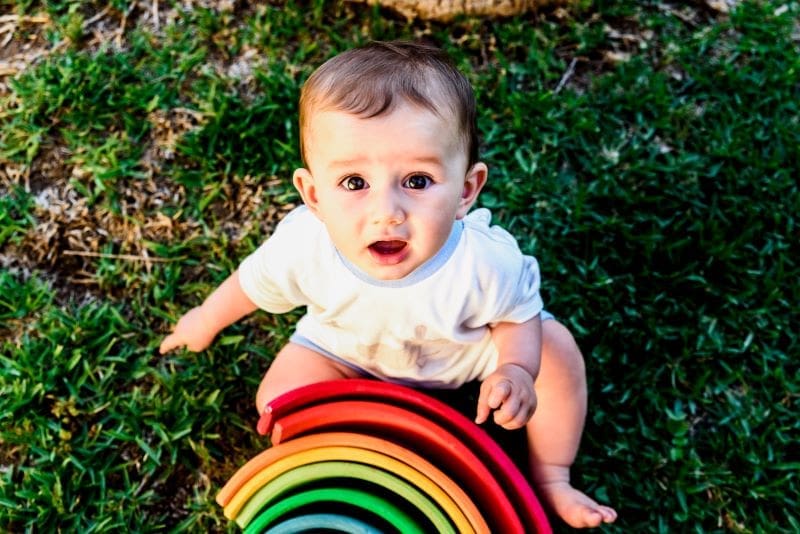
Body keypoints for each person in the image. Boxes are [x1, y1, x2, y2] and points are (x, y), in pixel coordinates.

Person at [160, 40, 617, 528]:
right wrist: (204, 320)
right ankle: (365, 459)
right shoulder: (303, 249)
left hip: (463, 354)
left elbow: (516, 316)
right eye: (354, 183)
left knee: (556, 351)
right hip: (343, 351)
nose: (387, 212)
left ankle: (551, 478)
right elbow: (251, 285)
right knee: (277, 401)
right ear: (313, 195)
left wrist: (517, 369)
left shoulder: (484, 262)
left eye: (417, 181)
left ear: (466, 190)